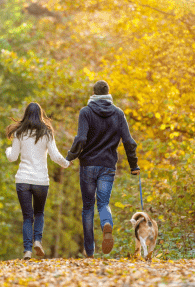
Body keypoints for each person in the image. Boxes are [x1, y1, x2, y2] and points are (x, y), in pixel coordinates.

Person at [65, 80, 141, 257]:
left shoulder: (86, 112)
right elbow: (128, 141)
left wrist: (70, 157)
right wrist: (134, 165)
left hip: (88, 166)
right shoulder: (118, 113)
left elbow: (81, 138)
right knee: (104, 203)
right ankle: (107, 223)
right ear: (108, 93)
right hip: (107, 166)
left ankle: (90, 251)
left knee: (87, 207)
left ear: (94, 93)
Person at [5, 103, 71, 260]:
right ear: (41, 114)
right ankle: (37, 241)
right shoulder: (46, 133)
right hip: (41, 180)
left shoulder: (20, 133)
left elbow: (12, 157)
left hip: (23, 180)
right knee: (39, 212)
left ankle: (27, 250)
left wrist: (8, 150)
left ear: (26, 114)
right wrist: (66, 163)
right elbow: (55, 156)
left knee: (27, 216)